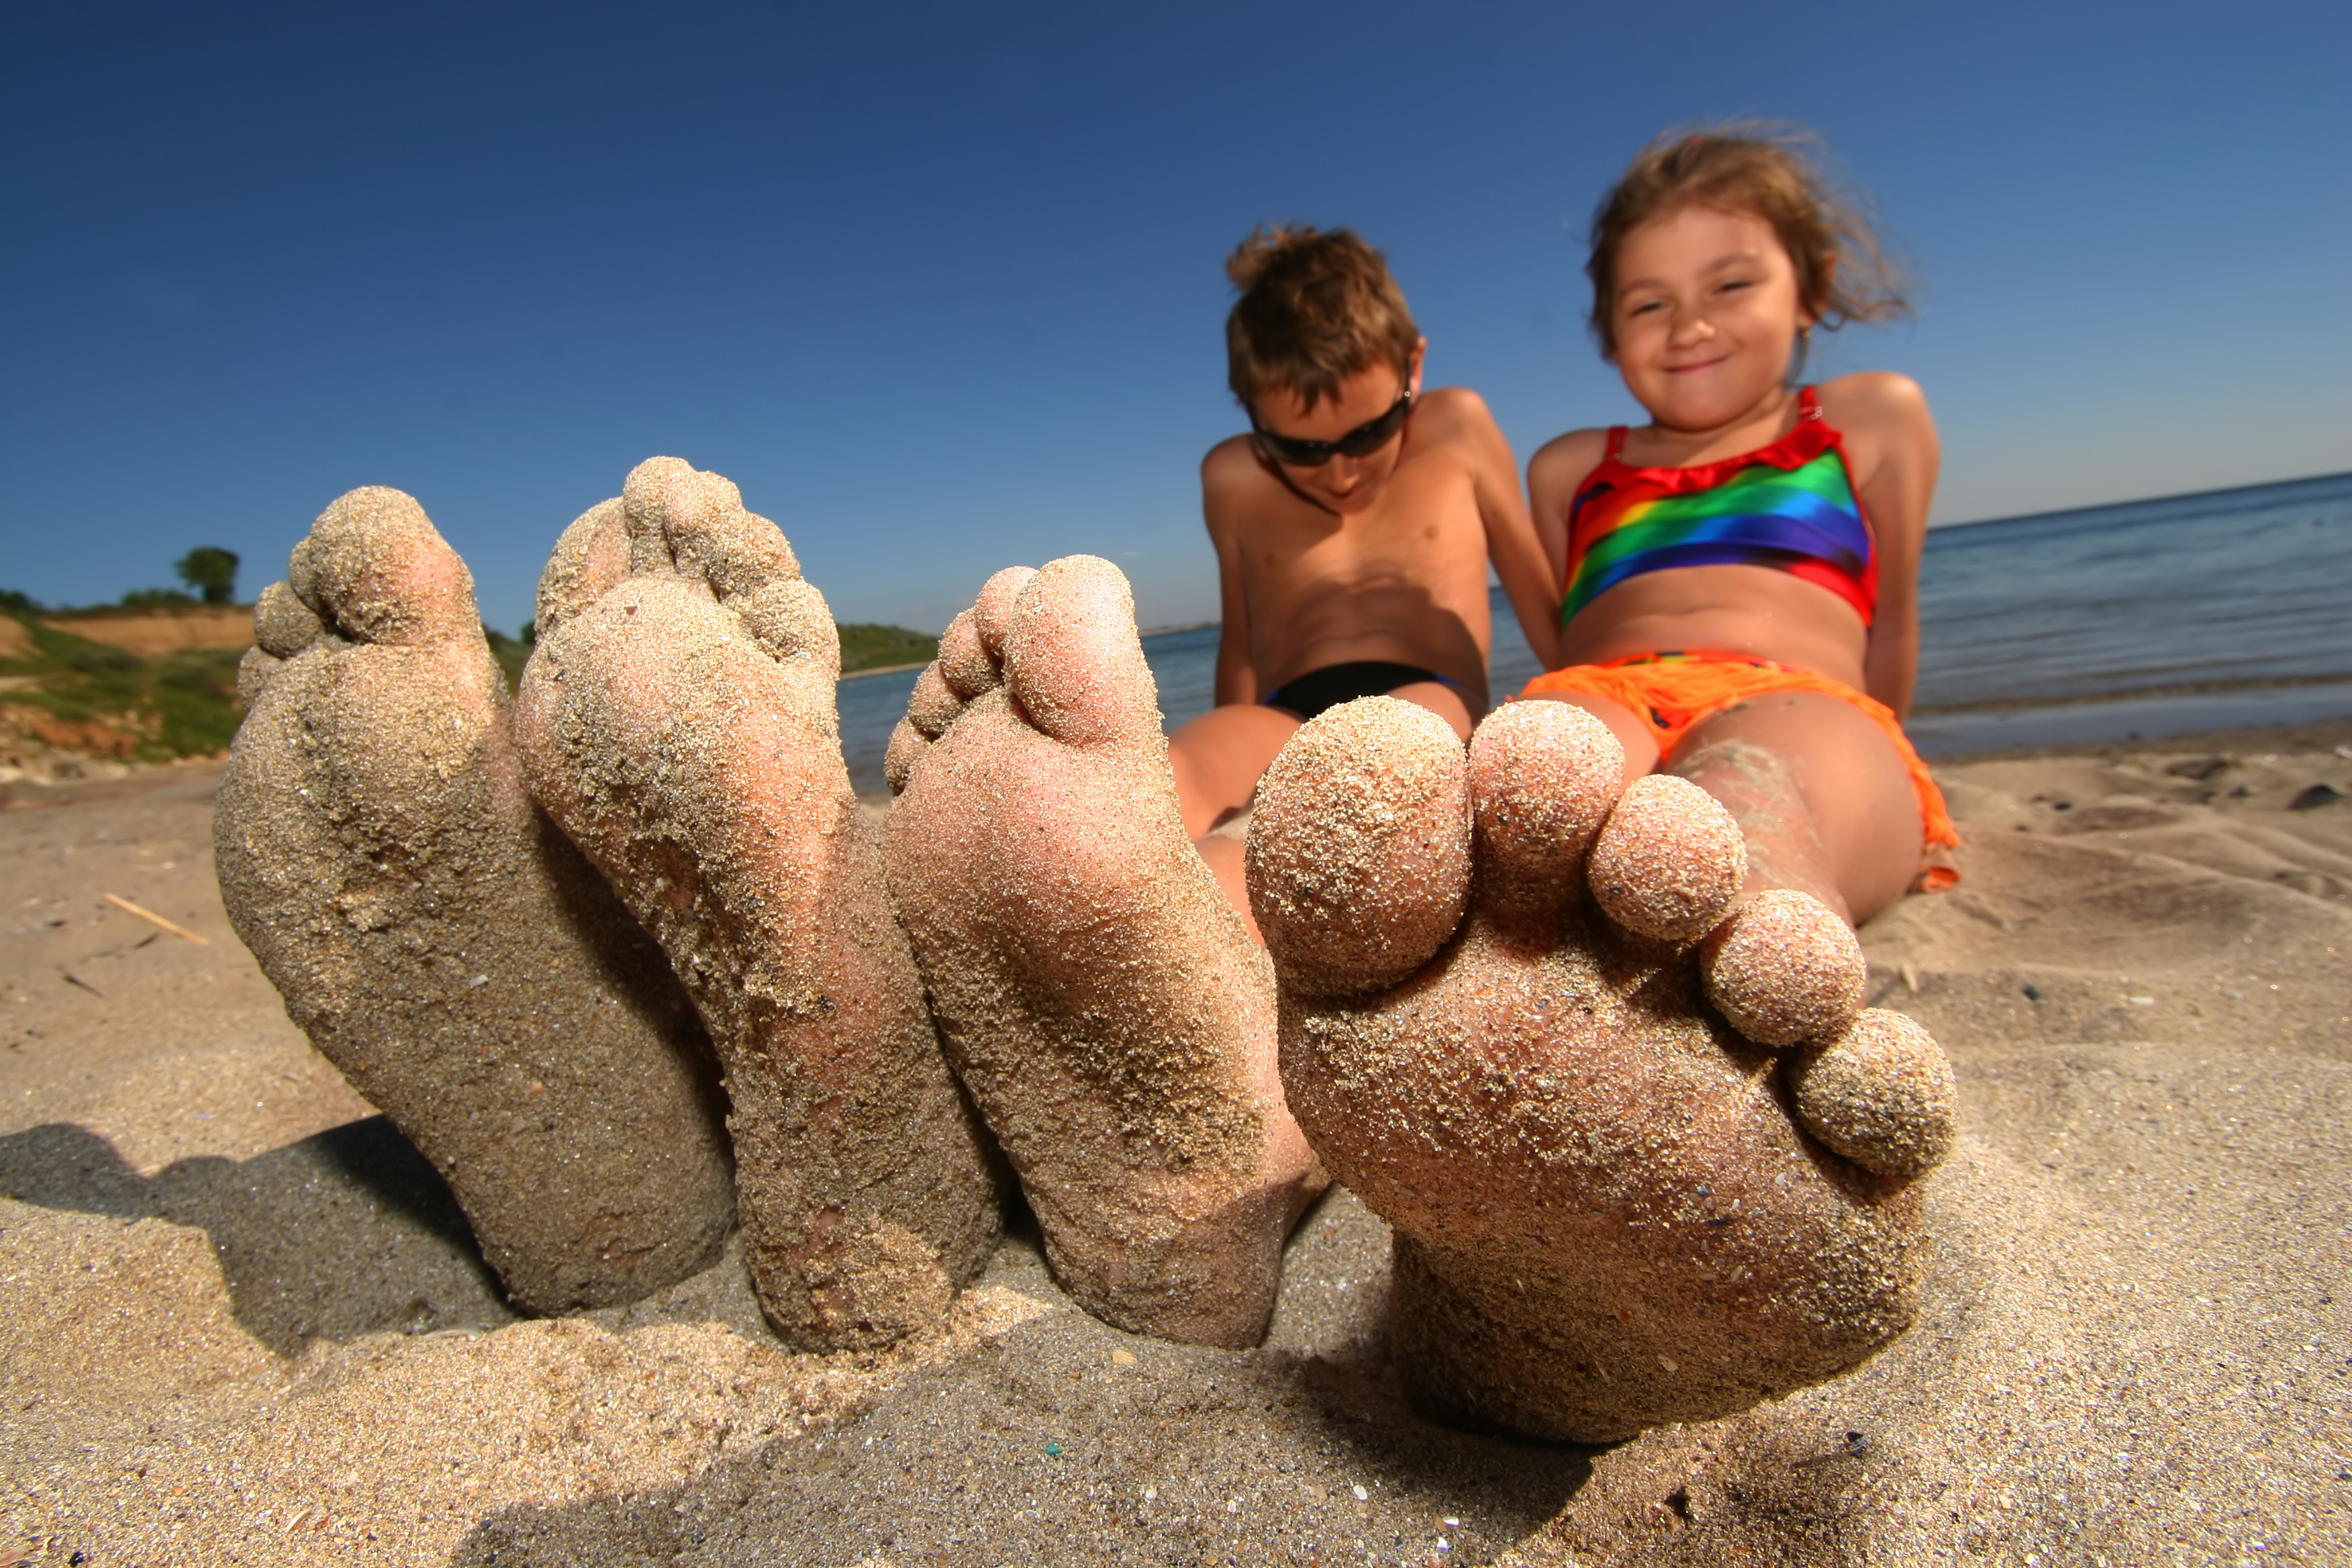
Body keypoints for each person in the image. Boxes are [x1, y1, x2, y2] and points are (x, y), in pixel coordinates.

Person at [1518, 126, 1959, 920]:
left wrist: (1873, 756)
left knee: (1755, 794)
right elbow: (1570, 633)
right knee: (1537, 780)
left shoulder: (1866, 422)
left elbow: (1892, 624)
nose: (1690, 325)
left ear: (1811, 290)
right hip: (1607, 689)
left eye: (1730, 285)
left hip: (1795, 692)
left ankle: (1756, 922)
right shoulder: (1572, 470)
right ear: (1610, 332)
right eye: (1650, 303)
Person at [1177, 226, 1561, 924]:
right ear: (1250, 411)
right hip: (1284, 711)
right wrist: (1227, 730)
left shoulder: (1458, 427)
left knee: (1374, 762)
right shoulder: (1232, 477)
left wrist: (1587, 697)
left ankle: (1213, 917)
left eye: (1368, 434)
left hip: (1429, 691)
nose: (1341, 473)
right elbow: (1241, 642)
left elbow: (1537, 596)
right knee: (1174, 775)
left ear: (1414, 367)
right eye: (1300, 449)